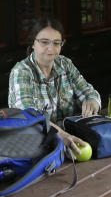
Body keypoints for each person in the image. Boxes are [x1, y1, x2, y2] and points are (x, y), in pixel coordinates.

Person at [8, 17, 101, 153]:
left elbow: (87, 91)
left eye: (56, 43)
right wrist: (61, 135)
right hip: (36, 147)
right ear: (33, 43)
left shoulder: (65, 64)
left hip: (73, 141)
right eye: (44, 42)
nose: (51, 48)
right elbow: (31, 117)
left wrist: (93, 101)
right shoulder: (21, 72)